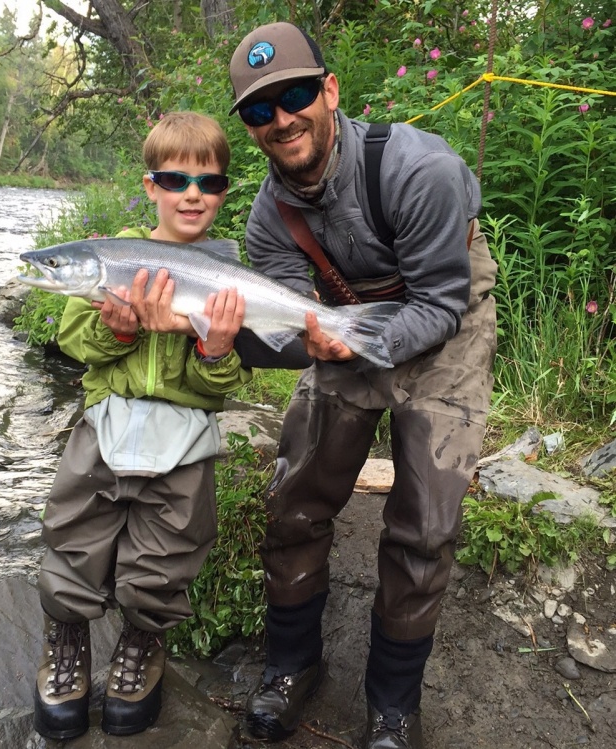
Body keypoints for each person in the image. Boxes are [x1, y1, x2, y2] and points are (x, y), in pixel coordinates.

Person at [228, 22, 498, 749]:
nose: (281, 120)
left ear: (329, 90)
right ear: (250, 127)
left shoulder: (419, 170)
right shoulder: (267, 217)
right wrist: (235, 338)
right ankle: (291, 664)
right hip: (341, 320)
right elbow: (288, 331)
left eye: (293, 96)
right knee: (293, 499)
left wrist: (352, 336)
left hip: (448, 317)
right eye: (259, 110)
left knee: (425, 523)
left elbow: (440, 303)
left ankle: (391, 705)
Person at [33, 111, 252, 741]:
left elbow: (221, 385)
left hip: (186, 443)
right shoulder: (111, 253)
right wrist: (116, 327)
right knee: (74, 537)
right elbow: (74, 339)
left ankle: (141, 644)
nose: (191, 194)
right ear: (150, 185)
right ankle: (67, 642)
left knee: (167, 555)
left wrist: (215, 349)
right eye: (175, 179)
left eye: (208, 183)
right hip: (104, 428)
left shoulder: (225, 280)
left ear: (221, 194)